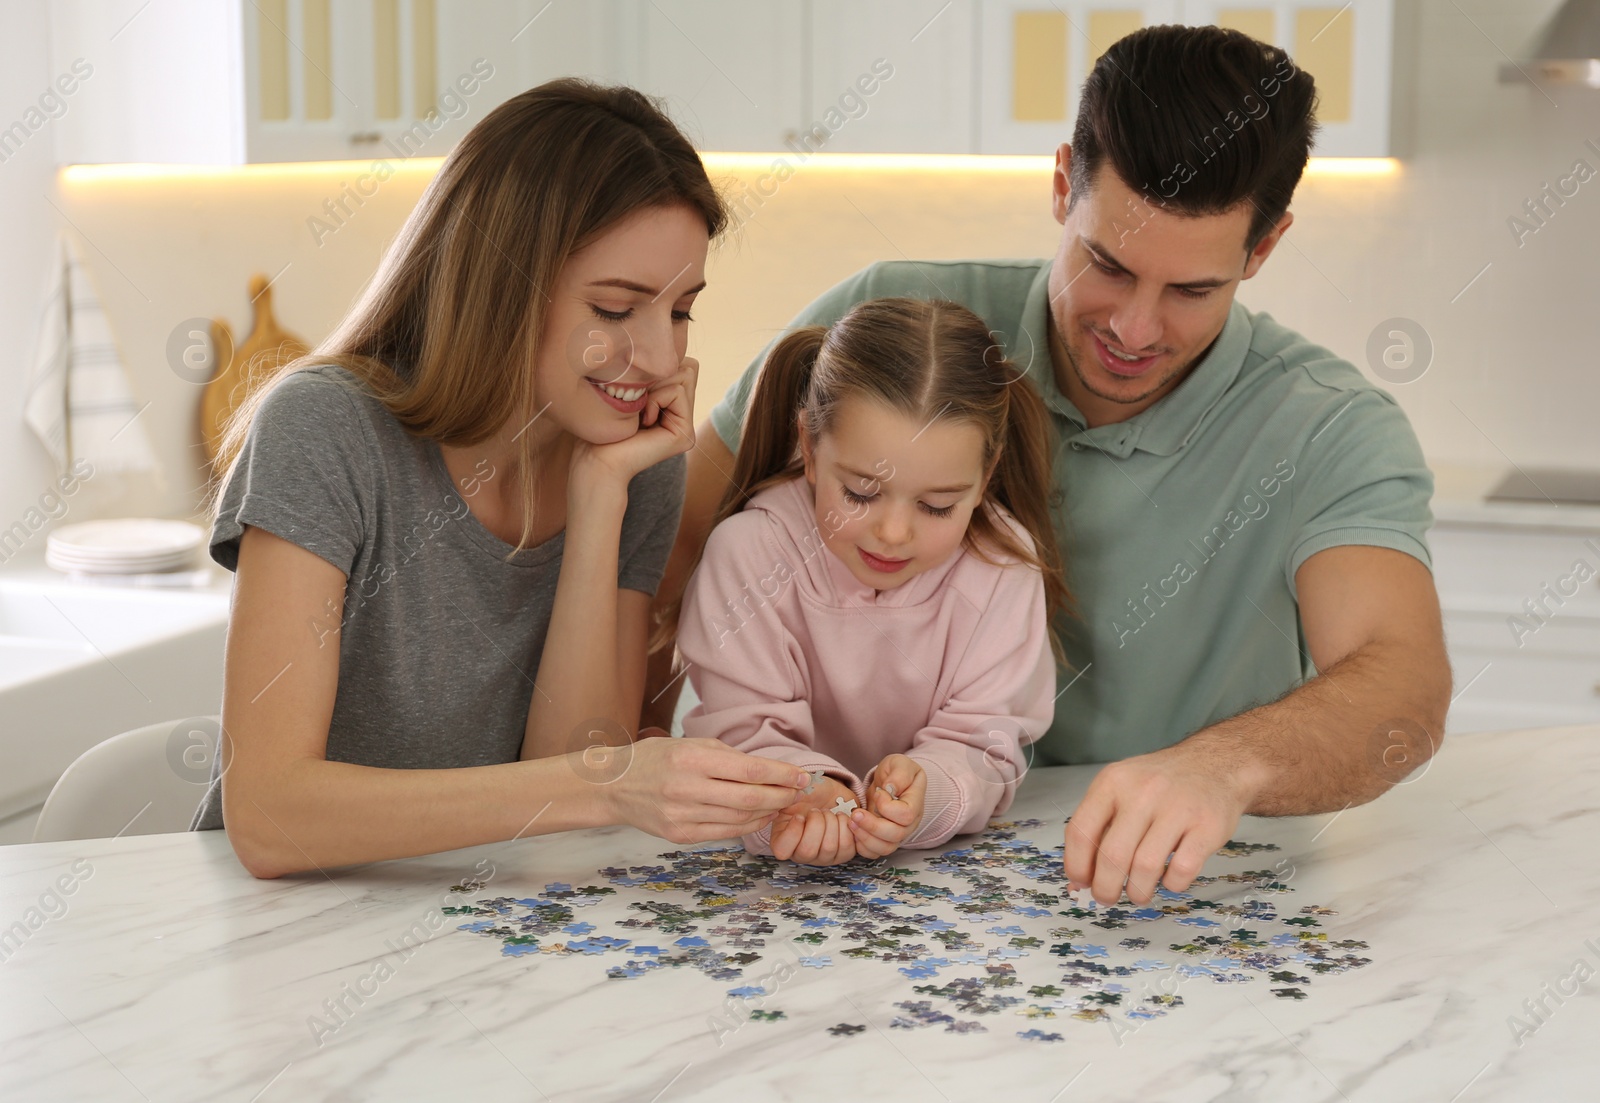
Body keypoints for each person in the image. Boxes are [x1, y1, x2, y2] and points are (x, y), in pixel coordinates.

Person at [646, 26, 1452, 903]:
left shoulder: (1331, 429)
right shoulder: (889, 320)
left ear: (1263, 249)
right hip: (862, 881)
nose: (1134, 329)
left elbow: (1402, 684)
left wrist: (1222, 768)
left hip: (1169, 893)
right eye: (1107, 263)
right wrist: (621, 785)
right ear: (1064, 182)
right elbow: (666, 565)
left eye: (1192, 290)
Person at [192, 79, 812, 878]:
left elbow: (566, 795)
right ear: (502, 284)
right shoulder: (327, 431)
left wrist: (598, 506)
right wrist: (611, 785)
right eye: (617, 310)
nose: (662, 360)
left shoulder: (634, 469)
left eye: (681, 310)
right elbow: (271, 817)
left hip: (485, 927)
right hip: (275, 932)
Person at [667, 298, 1068, 866]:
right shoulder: (749, 554)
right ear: (809, 447)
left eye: (937, 506)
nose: (894, 533)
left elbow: (985, 749)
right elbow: (742, 737)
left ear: (986, 477)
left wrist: (922, 797)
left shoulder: (1004, 570)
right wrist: (802, 796)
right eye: (860, 493)